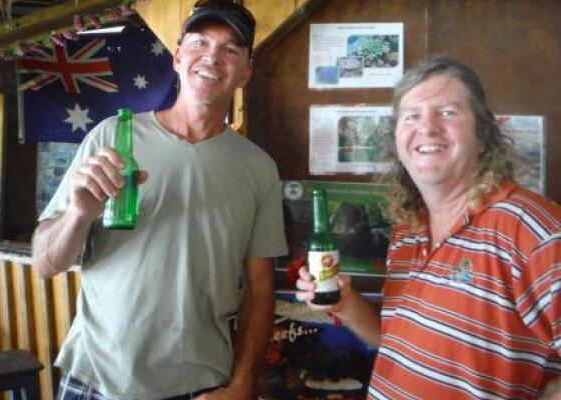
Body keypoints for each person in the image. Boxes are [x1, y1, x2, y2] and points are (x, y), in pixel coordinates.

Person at [31, 1, 288, 399]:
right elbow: (46, 264)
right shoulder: (112, 137)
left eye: (230, 50)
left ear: (246, 71)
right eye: (200, 43)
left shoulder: (259, 169)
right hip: (96, 377)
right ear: (178, 56)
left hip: (200, 385)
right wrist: (78, 215)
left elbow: (259, 291)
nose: (212, 58)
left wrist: (241, 385)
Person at [296, 57, 561, 399]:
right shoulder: (409, 230)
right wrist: (344, 303)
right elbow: (396, 341)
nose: (428, 127)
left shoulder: (530, 228)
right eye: (412, 116)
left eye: (448, 112)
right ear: (396, 140)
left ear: (483, 134)